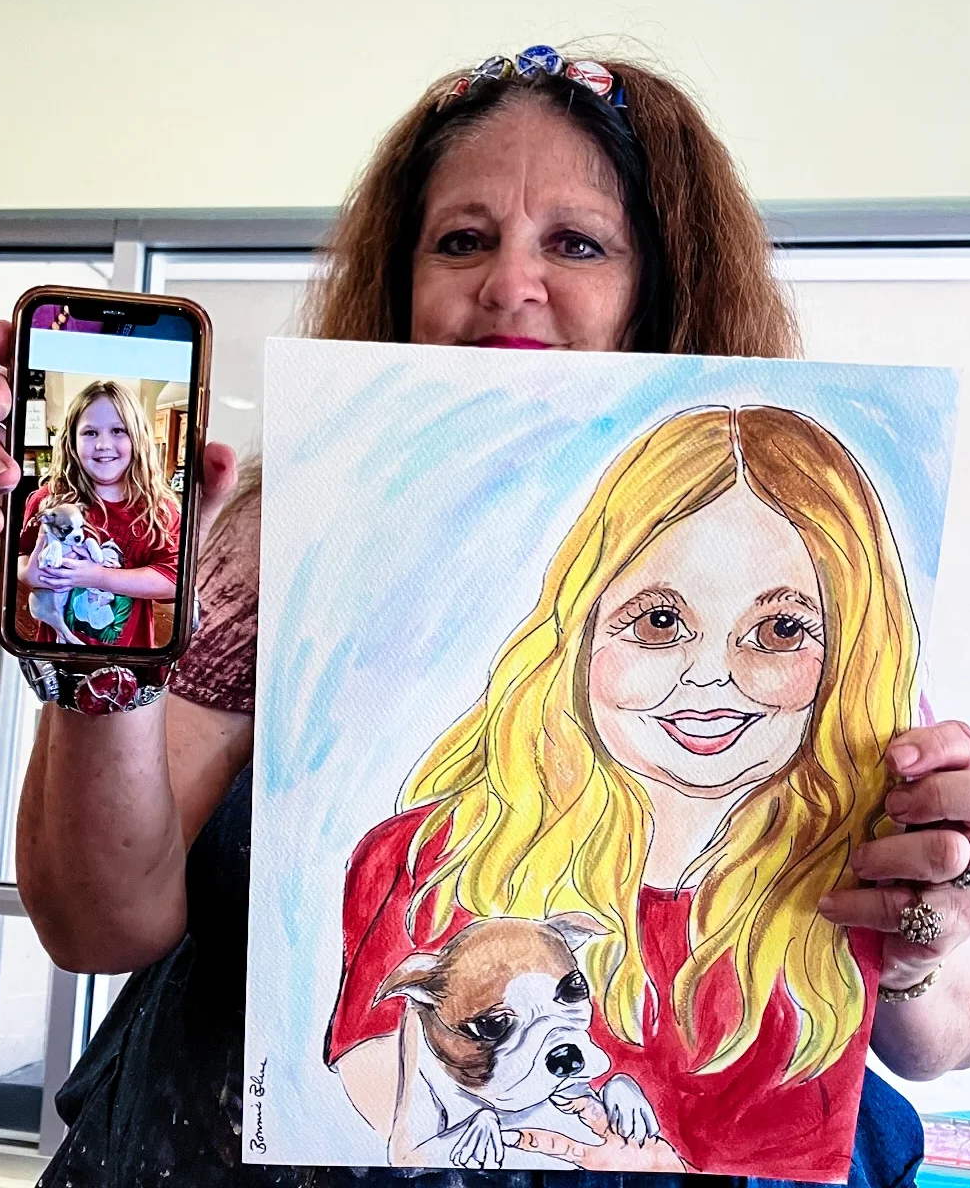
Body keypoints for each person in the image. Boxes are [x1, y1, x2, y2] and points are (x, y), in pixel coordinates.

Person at [0, 48, 970, 1186]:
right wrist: (95, 659)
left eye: (576, 243)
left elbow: (952, 1028)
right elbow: (96, 925)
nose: (511, 283)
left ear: (660, 285)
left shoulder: (813, 585)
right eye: (463, 239)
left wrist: (929, 926)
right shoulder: (275, 557)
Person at [327, 404, 917, 1180]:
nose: (710, 676)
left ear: (851, 650)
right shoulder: (429, 863)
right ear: (581, 628)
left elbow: (953, 1038)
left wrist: (929, 938)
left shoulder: (869, 841)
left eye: (778, 632)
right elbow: (389, 1118)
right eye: (662, 620)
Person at [17, 379, 180, 648]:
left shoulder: (160, 510)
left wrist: (95, 576)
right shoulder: (48, 501)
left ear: (138, 438)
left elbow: (173, 583)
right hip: (56, 655)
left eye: (118, 430)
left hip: (131, 662)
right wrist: (30, 574)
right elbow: (22, 558)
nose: (103, 444)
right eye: (90, 433)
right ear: (71, 440)